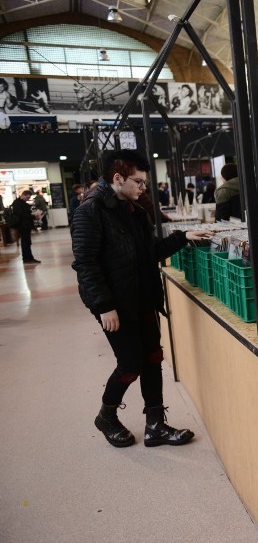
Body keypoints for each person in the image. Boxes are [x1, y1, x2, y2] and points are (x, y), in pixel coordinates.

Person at [71, 149, 213, 448]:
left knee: (153, 359)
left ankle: (156, 424)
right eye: (138, 182)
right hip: (116, 304)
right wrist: (104, 306)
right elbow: (85, 264)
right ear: (117, 178)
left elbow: (149, 253)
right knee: (130, 365)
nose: (142, 188)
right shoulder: (90, 211)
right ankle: (106, 416)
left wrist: (182, 238)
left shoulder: (135, 210)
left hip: (144, 297)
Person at [10, 190, 39, 264]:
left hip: (26, 225)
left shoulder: (22, 203)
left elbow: (25, 213)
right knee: (25, 242)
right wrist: (33, 215)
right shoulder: (17, 203)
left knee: (27, 242)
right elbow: (22, 214)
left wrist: (33, 215)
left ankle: (29, 257)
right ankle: (27, 258)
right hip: (23, 226)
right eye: (27, 197)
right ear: (23, 195)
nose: (28, 199)